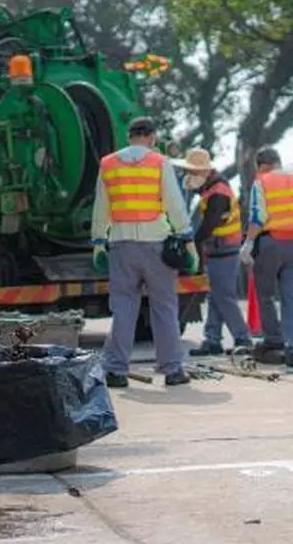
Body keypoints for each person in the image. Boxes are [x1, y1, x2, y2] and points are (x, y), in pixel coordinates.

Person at [91, 117, 198, 388]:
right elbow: (174, 204)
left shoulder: (108, 164)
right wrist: (187, 240)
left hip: (121, 246)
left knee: (124, 308)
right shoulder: (159, 162)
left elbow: (101, 207)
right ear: (152, 137)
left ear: (128, 137)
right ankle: (172, 370)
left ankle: (115, 370)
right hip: (156, 245)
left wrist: (98, 242)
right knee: (164, 307)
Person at [241, 147, 293, 368]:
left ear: (262, 166)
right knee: (292, 298)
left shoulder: (262, 182)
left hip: (271, 243)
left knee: (265, 294)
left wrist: (248, 244)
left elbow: (258, 216)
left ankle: (274, 339)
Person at [174, 148, 254, 357]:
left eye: (192, 172)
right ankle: (213, 339)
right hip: (219, 250)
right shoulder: (212, 190)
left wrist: (191, 244)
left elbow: (208, 225)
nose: (188, 177)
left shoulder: (218, 193)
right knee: (215, 297)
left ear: (203, 172)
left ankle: (243, 338)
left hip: (224, 250)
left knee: (224, 297)